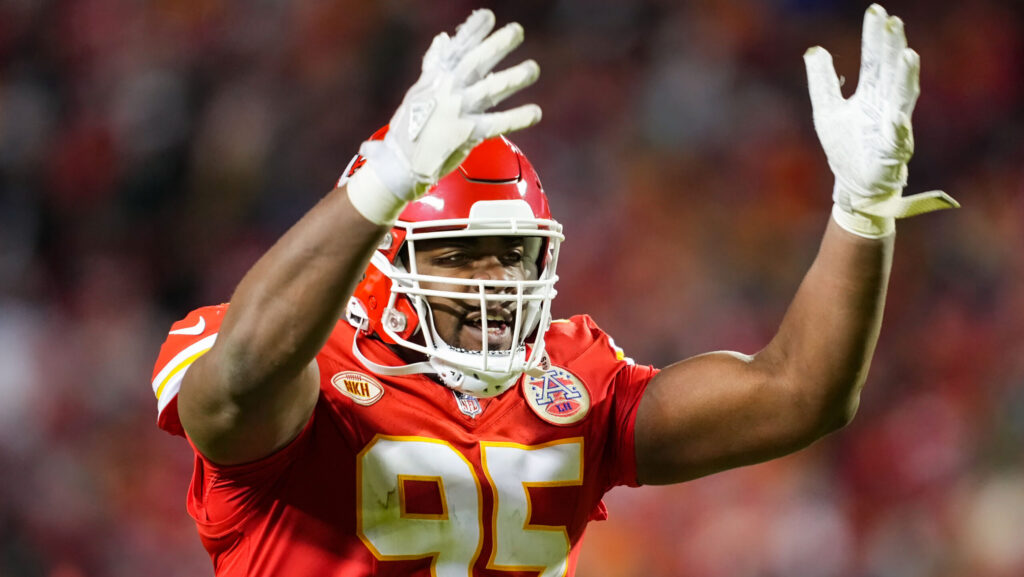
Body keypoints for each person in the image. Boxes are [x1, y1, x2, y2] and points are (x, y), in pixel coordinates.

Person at [150, 5, 958, 576]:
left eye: (514, 253)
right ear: (379, 256)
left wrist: (861, 213)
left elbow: (799, 392)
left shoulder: (574, 382)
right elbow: (242, 382)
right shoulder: (300, 361)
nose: (498, 276)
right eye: (463, 254)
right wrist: (386, 179)